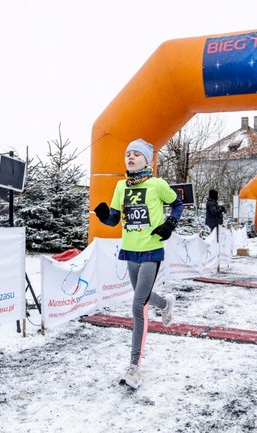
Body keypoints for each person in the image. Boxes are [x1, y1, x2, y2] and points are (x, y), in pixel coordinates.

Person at [93, 138, 183, 389]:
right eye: (128, 154)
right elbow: (114, 219)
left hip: (151, 249)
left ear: (147, 161)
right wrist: (104, 216)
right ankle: (165, 303)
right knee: (142, 296)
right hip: (130, 250)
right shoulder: (120, 186)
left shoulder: (157, 184)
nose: (130, 157)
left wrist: (170, 224)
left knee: (137, 305)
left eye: (136, 154)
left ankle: (134, 367)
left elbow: (177, 204)